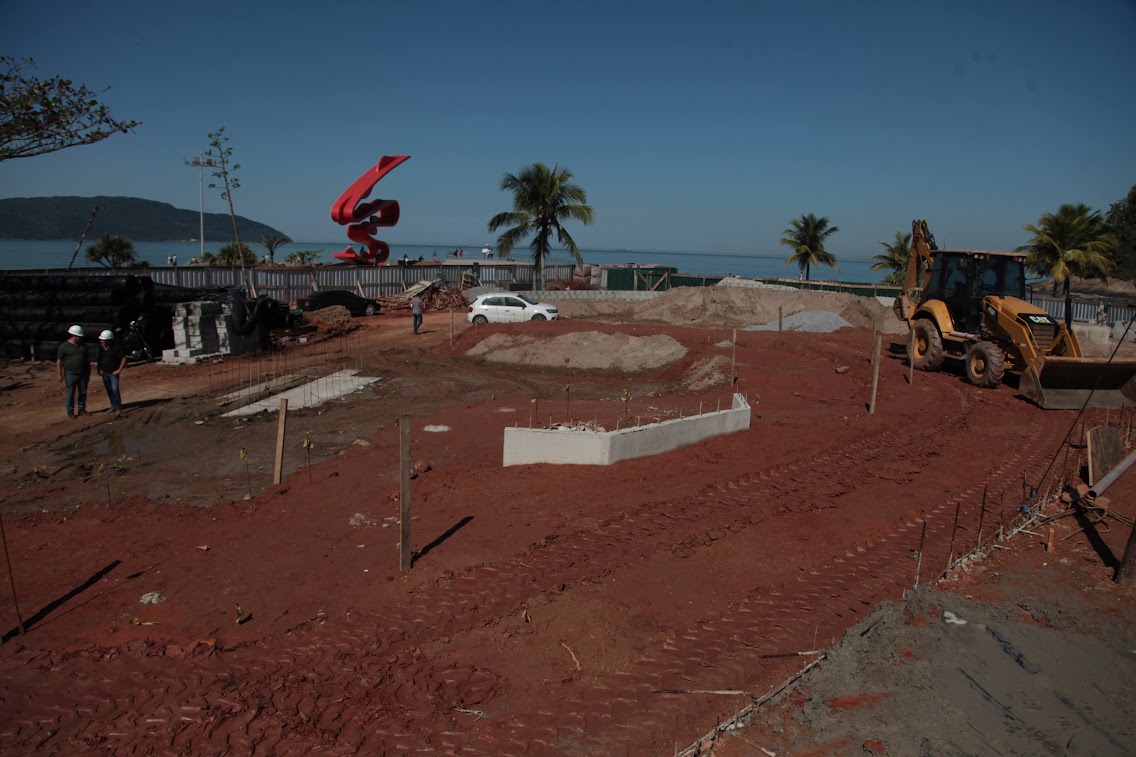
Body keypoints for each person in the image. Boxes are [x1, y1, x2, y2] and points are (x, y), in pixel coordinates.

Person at [57, 325, 91, 418]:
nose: (80, 338)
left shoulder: (83, 346)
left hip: (83, 373)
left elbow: (86, 359)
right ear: (73, 335)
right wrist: (59, 374)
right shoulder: (64, 346)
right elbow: (59, 360)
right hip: (70, 373)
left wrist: (88, 372)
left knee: (83, 392)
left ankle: (81, 409)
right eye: (78, 336)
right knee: (70, 392)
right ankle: (70, 411)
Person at [97, 330, 127, 415]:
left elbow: (123, 358)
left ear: (109, 340)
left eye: (104, 340)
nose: (101, 341)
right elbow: (99, 359)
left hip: (113, 374)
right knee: (109, 390)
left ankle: (118, 407)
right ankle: (113, 405)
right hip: (105, 373)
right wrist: (99, 369)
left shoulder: (116, 348)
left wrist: (118, 370)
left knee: (115, 390)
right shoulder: (101, 348)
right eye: (101, 340)